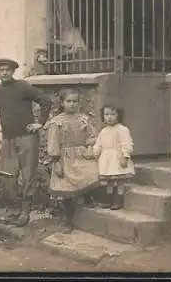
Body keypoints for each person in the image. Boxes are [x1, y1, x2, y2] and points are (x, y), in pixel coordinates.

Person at [0, 58, 52, 227]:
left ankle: (25, 211)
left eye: (8, 70)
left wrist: (40, 123)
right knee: (8, 175)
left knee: (27, 175)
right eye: (1, 70)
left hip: (27, 137)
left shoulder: (22, 87)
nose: (4, 73)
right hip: (8, 138)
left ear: (13, 72)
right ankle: (13, 209)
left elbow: (45, 100)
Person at [45, 88, 99, 234]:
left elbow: (90, 135)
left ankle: (87, 197)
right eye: (68, 101)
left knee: (92, 172)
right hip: (64, 159)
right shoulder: (57, 122)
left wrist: (90, 143)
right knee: (65, 189)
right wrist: (56, 161)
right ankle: (68, 220)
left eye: (75, 101)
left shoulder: (83, 119)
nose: (72, 104)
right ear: (62, 103)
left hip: (80, 154)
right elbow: (53, 143)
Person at [93, 104, 135, 210]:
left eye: (113, 114)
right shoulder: (103, 131)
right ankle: (109, 199)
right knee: (109, 181)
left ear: (118, 115)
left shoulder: (122, 129)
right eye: (106, 114)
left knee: (120, 180)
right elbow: (99, 144)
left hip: (117, 157)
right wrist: (95, 153)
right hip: (106, 159)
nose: (109, 117)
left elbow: (127, 144)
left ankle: (118, 200)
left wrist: (125, 156)